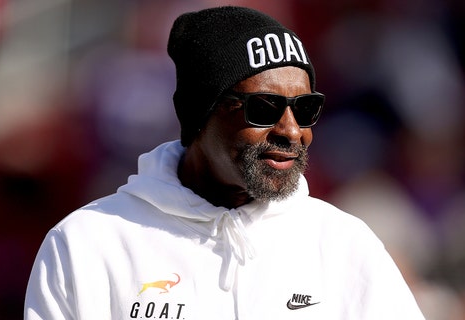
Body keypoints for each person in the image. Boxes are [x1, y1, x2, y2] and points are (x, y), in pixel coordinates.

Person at [24, 6, 425, 319]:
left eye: (305, 109)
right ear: (200, 115)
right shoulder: (89, 245)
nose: (292, 130)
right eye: (264, 108)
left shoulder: (343, 246)